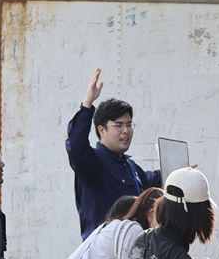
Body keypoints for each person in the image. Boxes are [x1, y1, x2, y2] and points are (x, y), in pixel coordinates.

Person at [67, 69, 161, 239]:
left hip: (132, 252)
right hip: (104, 256)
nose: (126, 131)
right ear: (101, 130)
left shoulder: (131, 168)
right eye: (119, 125)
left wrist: (179, 171)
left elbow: (153, 182)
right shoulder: (92, 163)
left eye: (129, 124)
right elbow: (75, 145)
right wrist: (88, 103)